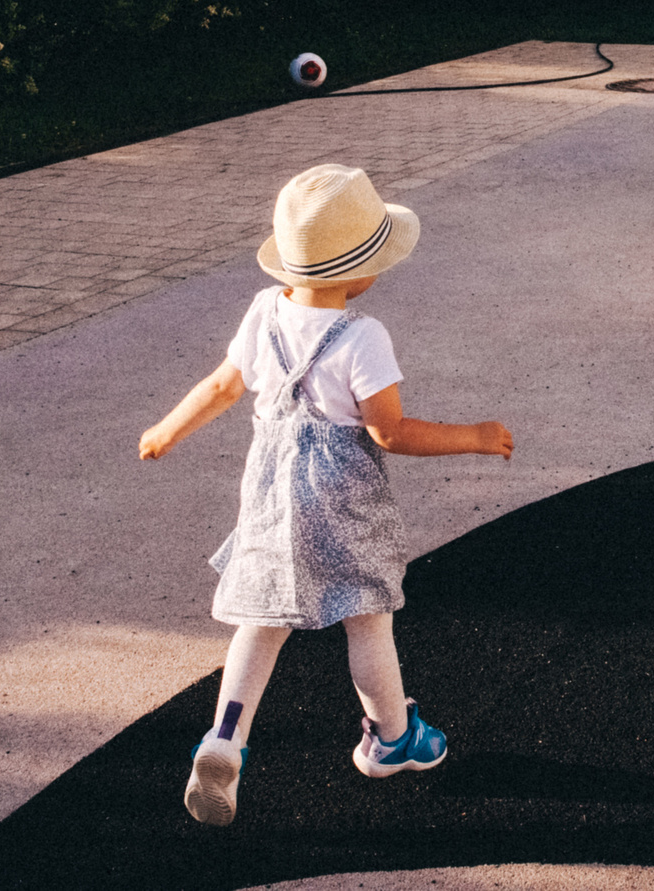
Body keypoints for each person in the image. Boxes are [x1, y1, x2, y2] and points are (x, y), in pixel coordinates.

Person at [137, 165, 513, 826]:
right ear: (359, 273)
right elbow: (390, 432)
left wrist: (168, 427)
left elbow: (225, 386)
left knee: (264, 617)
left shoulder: (263, 311)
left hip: (273, 494)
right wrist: (474, 436)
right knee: (366, 614)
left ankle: (224, 738)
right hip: (343, 499)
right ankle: (393, 738)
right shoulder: (363, 337)